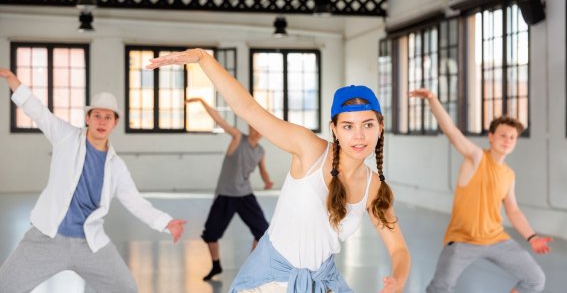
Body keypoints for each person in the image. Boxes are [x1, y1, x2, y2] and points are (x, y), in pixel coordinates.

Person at [147, 49, 410, 293]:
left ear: (380, 126)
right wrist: (203, 58)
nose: (359, 136)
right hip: (269, 282)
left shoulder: (374, 186)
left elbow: (398, 249)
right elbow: (247, 108)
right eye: (348, 126)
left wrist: (398, 279)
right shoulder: (310, 150)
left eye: (367, 124)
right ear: (334, 129)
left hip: (321, 283)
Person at [0, 68, 187, 293]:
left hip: (90, 244)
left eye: (108, 117)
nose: (102, 121)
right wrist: (12, 80)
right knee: (5, 286)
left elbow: (134, 201)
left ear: (115, 123)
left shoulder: (116, 166)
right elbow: (38, 111)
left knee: (126, 288)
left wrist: (165, 222)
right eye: (97, 115)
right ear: (88, 118)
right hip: (47, 237)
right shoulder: (65, 137)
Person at [409, 89, 551, 293]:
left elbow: (513, 211)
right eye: (503, 135)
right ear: (491, 137)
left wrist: (532, 237)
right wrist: (432, 100)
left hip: (496, 239)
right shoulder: (476, 157)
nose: (508, 140)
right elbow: (452, 132)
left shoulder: (509, 174)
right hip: (463, 240)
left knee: (535, 279)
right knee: (440, 288)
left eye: (513, 137)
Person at [186, 97, 273, 281]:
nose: (257, 131)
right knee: (210, 234)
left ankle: (252, 266)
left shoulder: (260, 151)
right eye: (254, 127)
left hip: (245, 196)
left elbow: (263, 171)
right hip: (226, 195)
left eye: (261, 129)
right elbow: (219, 120)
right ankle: (216, 265)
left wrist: (268, 181)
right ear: (249, 127)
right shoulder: (238, 138)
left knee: (263, 232)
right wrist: (202, 101)